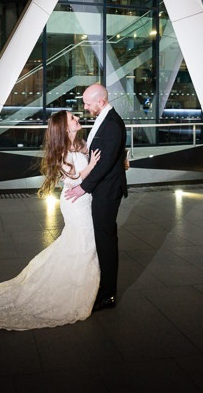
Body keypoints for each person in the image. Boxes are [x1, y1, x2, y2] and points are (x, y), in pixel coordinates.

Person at [0, 110, 101, 331]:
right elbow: (73, 181)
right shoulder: (61, 151)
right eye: (73, 118)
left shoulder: (80, 143)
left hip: (84, 201)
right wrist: (92, 165)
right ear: (64, 127)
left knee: (80, 243)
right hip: (74, 203)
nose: (77, 119)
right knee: (83, 242)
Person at [63, 83, 128, 312]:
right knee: (101, 238)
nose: (85, 107)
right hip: (101, 189)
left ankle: (108, 293)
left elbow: (106, 162)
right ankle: (101, 286)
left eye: (88, 103)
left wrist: (84, 188)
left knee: (106, 240)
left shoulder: (112, 124)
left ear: (100, 101)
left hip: (107, 192)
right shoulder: (104, 120)